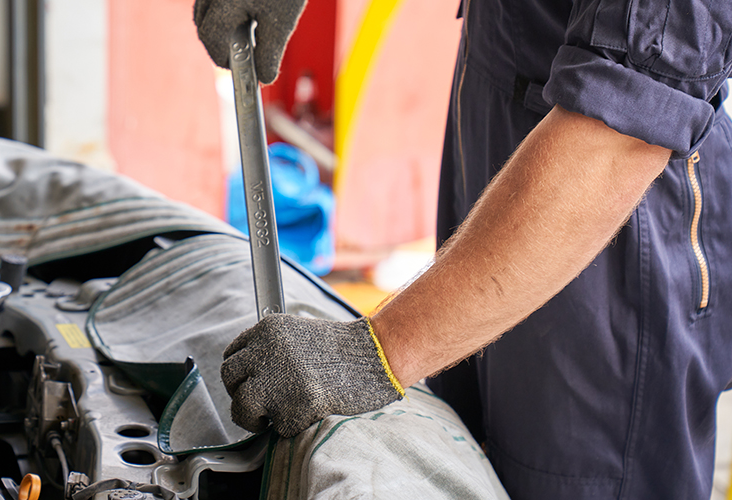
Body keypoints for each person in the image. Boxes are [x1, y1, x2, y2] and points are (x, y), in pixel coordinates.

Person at [194, 0, 732, 497]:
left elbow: (625, 129)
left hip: (610, 247)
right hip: (500, 171)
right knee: (465, 468)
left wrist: (375, 352)